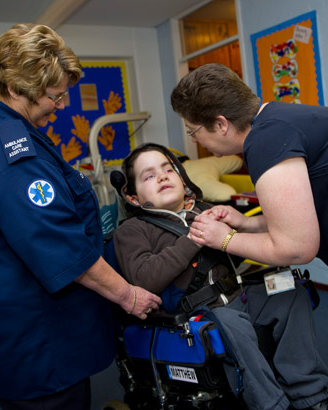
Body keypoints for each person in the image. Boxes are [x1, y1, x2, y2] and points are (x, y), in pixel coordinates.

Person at [0, 23, 161, 410]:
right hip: (35, 335)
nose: (62, 104)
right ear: (19, 89)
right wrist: (129, 296)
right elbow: (59, 247)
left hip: (9, 321)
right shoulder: (10, 150)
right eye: (55, 96)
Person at [113, 142, 328, 410]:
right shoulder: (132, 230)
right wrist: (194, 237)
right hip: (193, 314)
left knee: (291, 291)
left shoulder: (203, 210)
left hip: (237, 295)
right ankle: (272, 404)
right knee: (231, 323)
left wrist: (235, 228)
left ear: (183, 179)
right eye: (149, 175)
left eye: (169, 169)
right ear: (133, 197)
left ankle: (309, 394)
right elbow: (145, 278)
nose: (163, 176)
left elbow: (236, 255)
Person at [170, 62, 328, 269]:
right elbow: (301, 219)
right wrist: (247, 223)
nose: (194, 140)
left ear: (220, 125)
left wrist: (224, 239)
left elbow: (297, 249)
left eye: (193, 131)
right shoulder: (276, 118)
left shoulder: (265, 141)